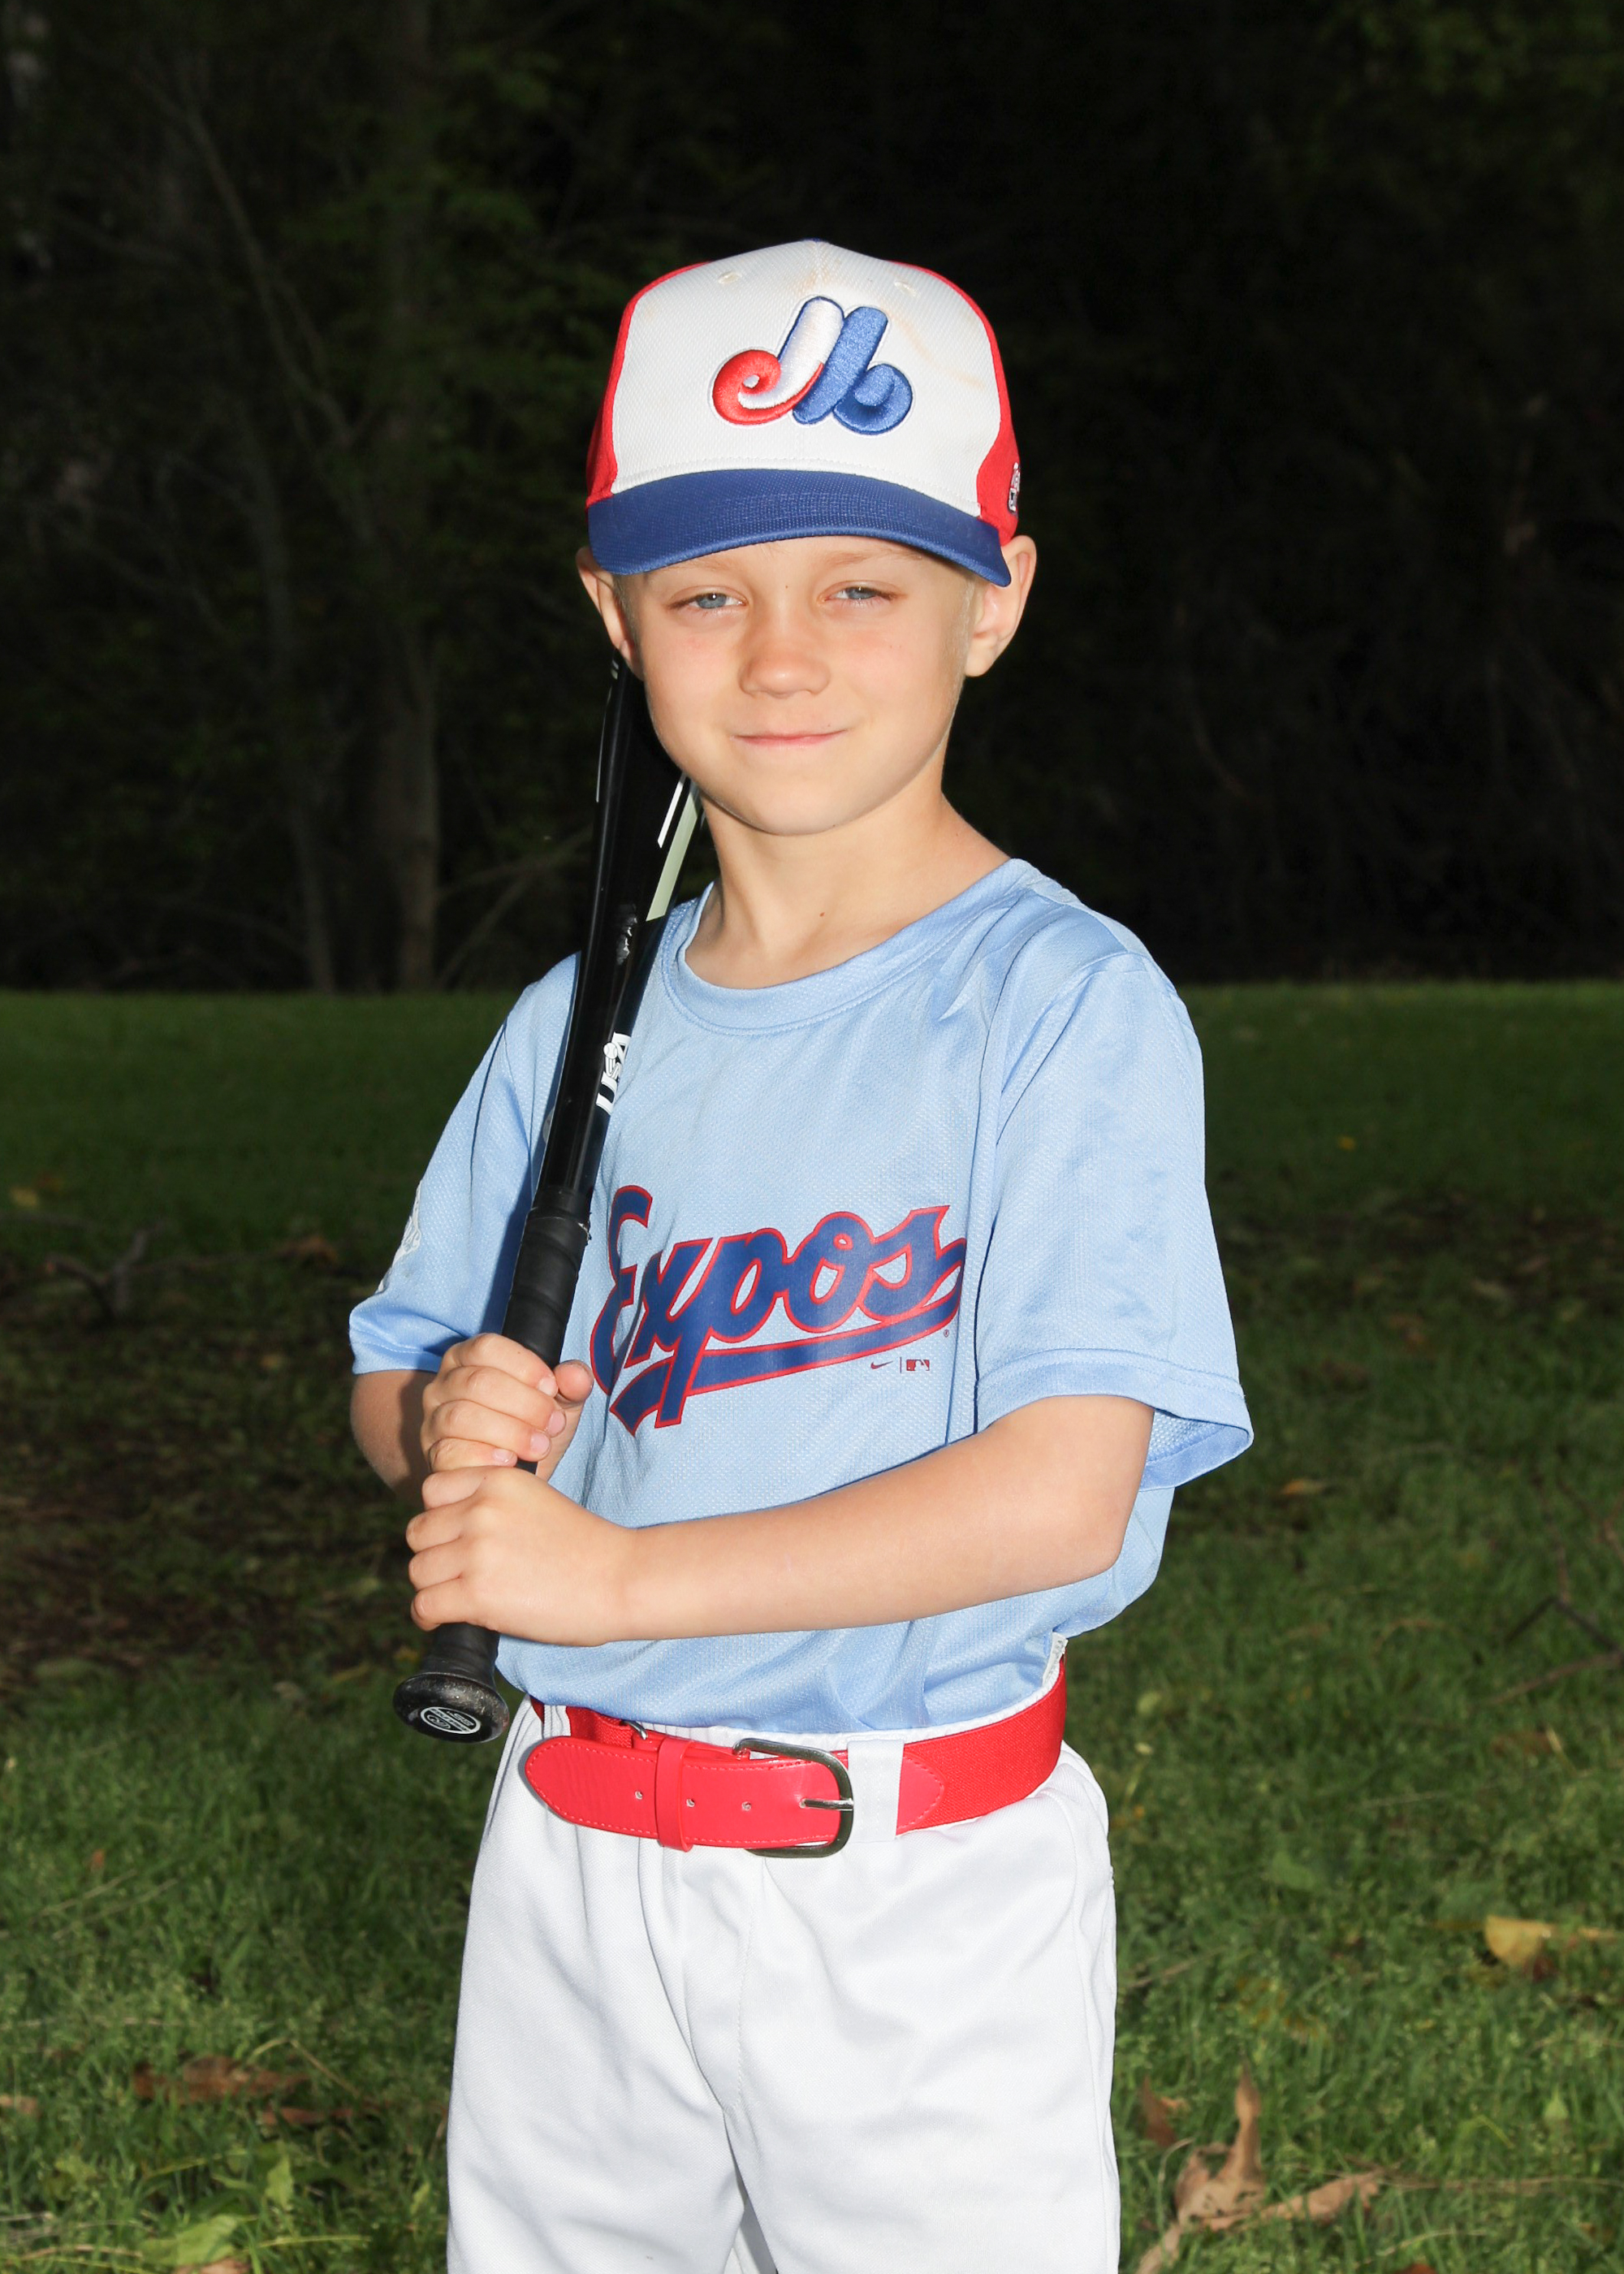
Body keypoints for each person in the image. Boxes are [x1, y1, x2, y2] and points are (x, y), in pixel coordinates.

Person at [349, 238, 1250, 2274]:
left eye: (860, 586)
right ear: (614, 615)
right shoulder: (571, 1024)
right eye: (705, 593)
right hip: (572, 1854)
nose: (778, 656)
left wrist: (615, 1578)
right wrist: (441, 1421)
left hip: (911, 1883)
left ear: (992, 601)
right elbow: (398, 1377)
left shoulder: (1061, 1005)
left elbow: (1059, 1489)